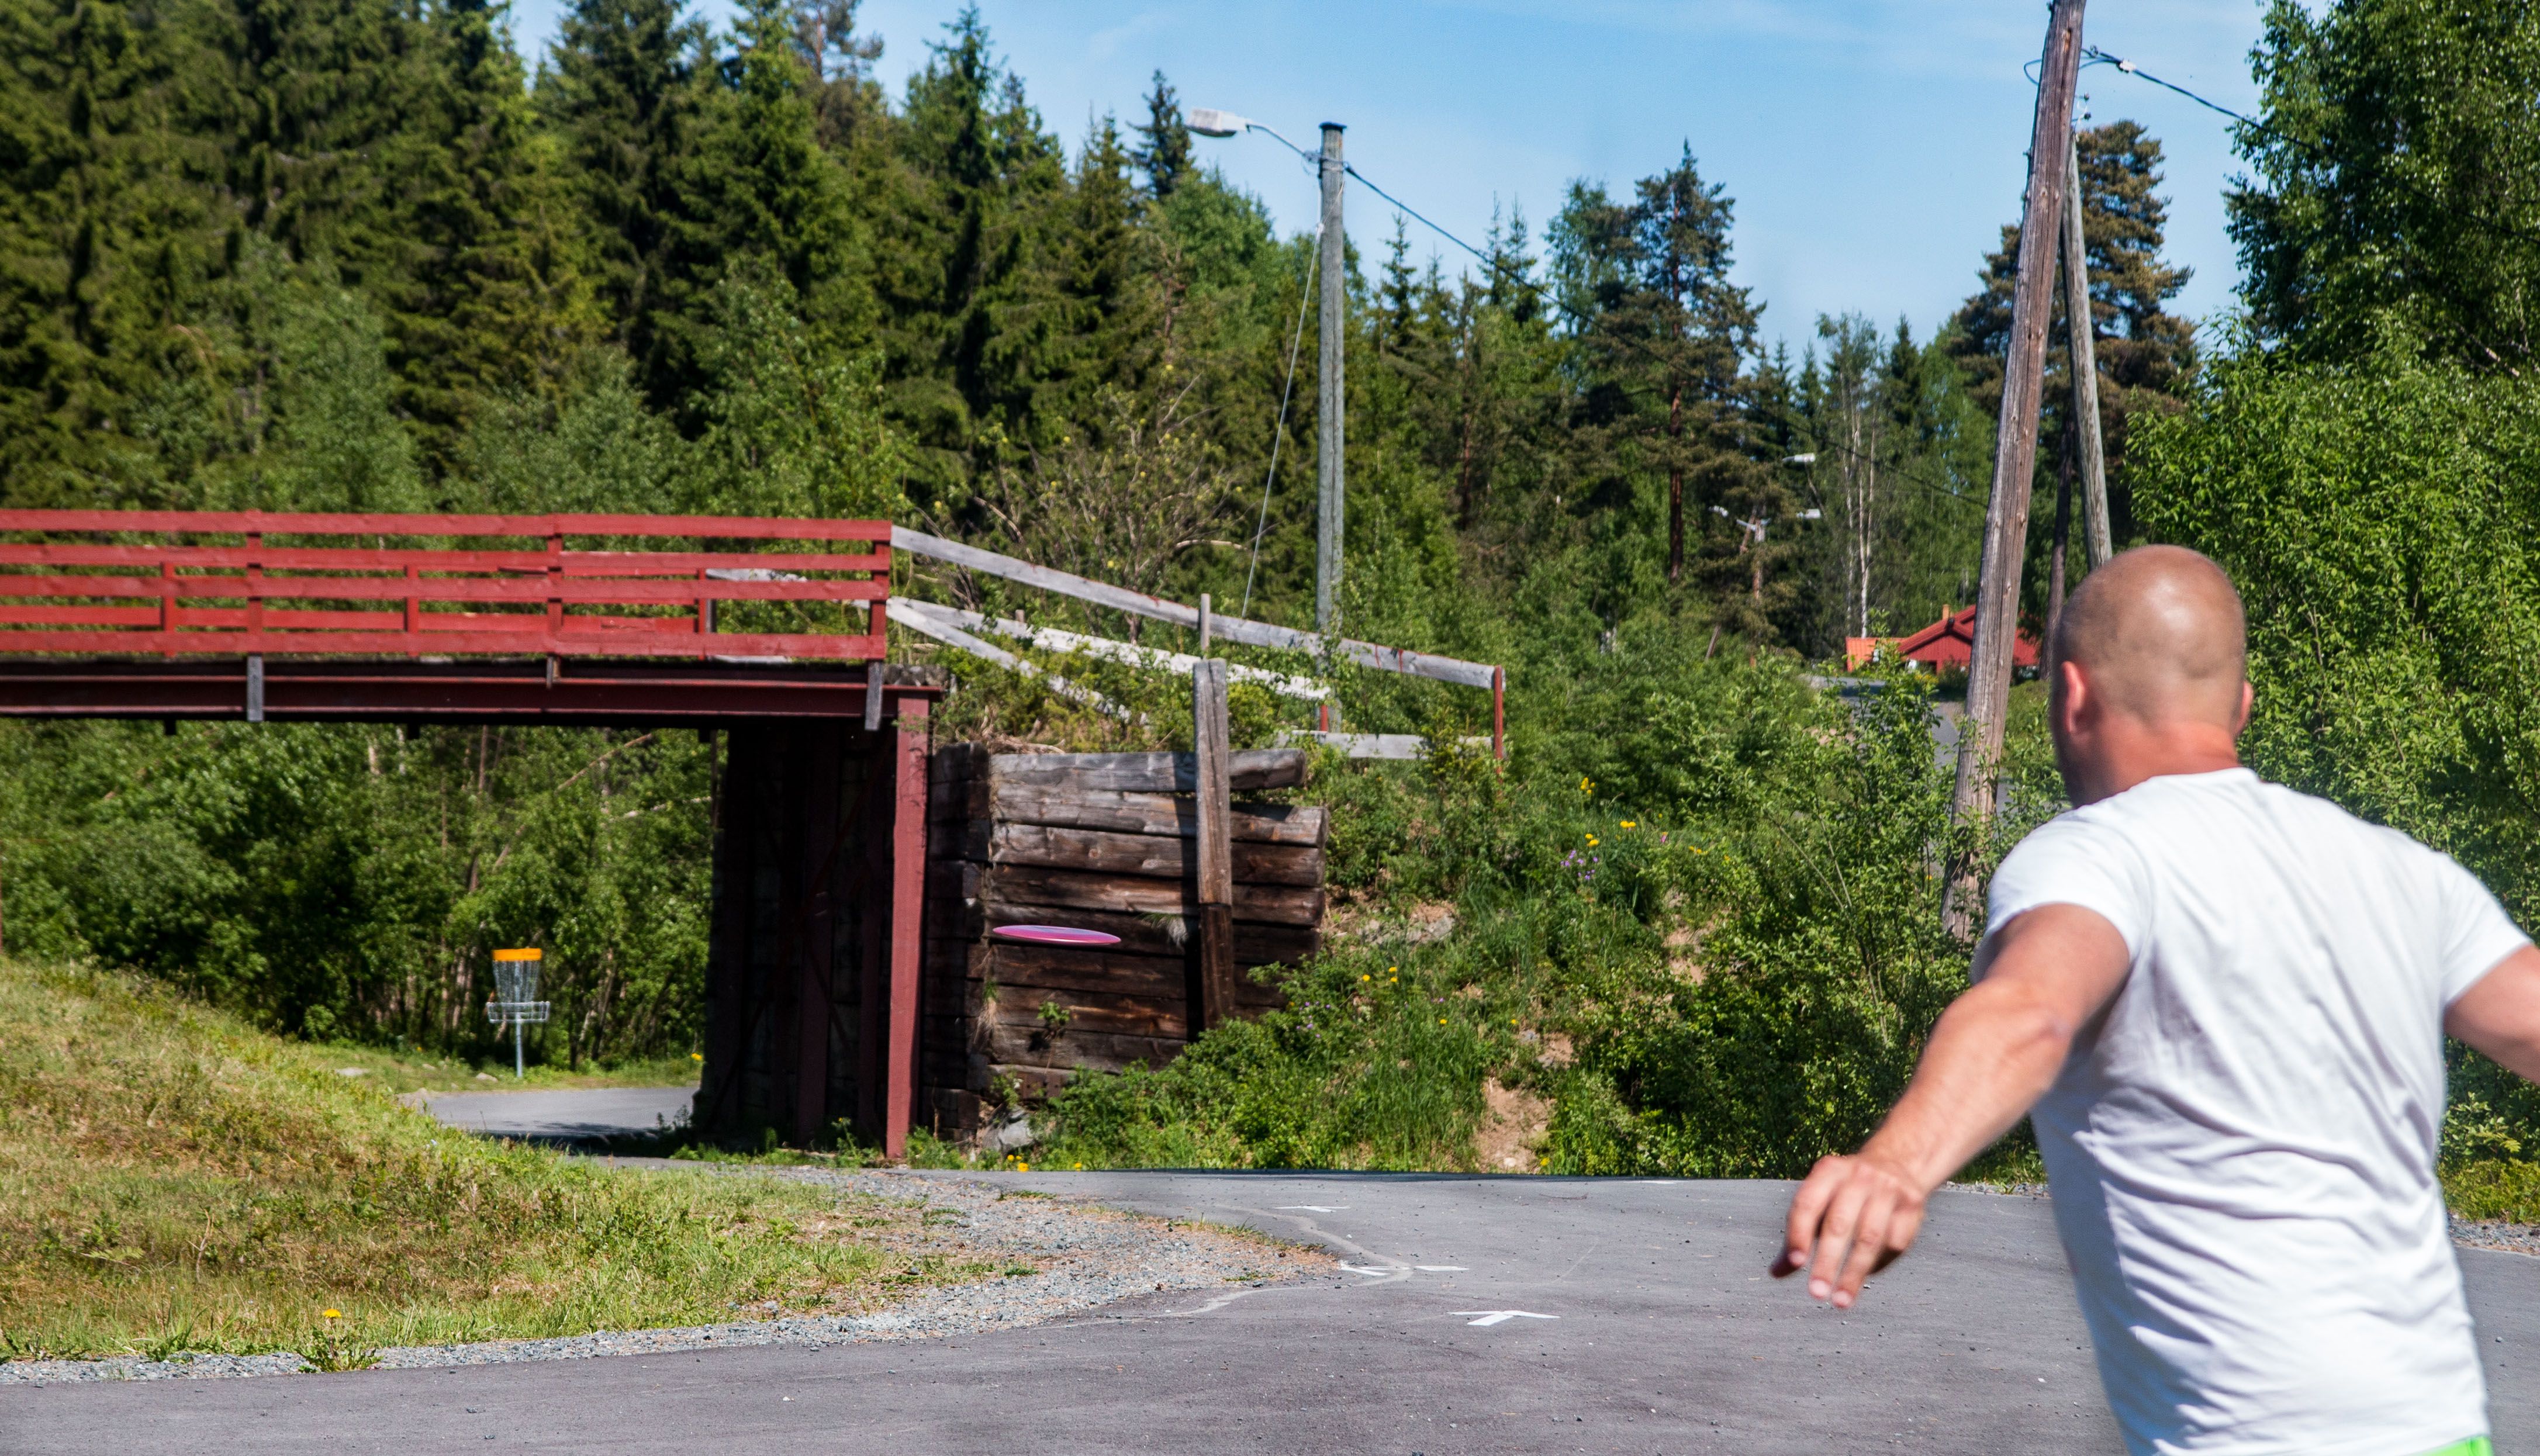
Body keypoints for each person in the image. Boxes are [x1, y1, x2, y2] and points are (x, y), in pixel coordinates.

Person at [1774, 545, 2540, 1456]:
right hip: (2438, 1429)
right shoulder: (2405, 872)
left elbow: (2030, 1009)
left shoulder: (2097, 855)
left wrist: (1898, 1164)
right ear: (2242, 705)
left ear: (2070, 697)